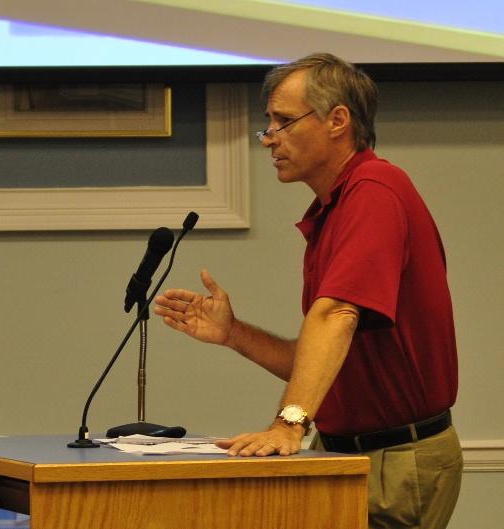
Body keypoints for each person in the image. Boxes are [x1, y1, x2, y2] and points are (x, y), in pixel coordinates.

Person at [153, 53, 462, 529]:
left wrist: (288, 424)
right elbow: (325, 356)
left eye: (283, 121)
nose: (269, 139)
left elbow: (335, 314)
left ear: (338, 120)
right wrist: (233, 333)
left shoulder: (376, 190)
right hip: (350, 454)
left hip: (397, 459)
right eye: (267, 124)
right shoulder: (335, 208)